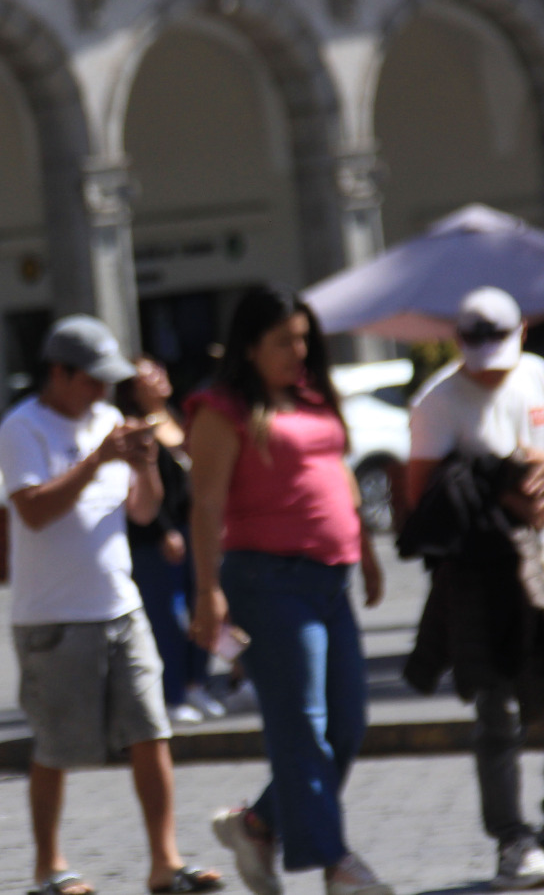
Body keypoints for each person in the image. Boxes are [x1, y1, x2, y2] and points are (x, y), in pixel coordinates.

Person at [0, 315, 223, 895]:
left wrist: (144, 466)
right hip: (53, 616)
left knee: (152, 730)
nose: (102, 391)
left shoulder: (109, 419)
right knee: (55, 745)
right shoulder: (22, 428)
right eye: (91, 380)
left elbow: (144, 512)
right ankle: (49, 867)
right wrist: (97, 460)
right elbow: (35, 511)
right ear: (59, 373)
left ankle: (164, 861)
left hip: (121, 604)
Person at [407, 287, 544, 890]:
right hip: (483, 577)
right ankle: (512, 843)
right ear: (458, 343)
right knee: (499, 716)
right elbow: (419, 504)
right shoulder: (436, 402)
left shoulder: (537, 374)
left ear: (523, 331)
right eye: (477, 350)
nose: (492, 364)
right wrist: (498, 491)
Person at [187, 285, 392, 895]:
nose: (299, 350)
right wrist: (205, 592)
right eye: (284, 341)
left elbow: (342, 479)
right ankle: (337, 866)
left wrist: (369, 552)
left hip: (331, 579)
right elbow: (204, 506)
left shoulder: (311, 397)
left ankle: (257, 825)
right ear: (249, 347)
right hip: (265, 582)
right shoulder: (221, 408)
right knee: (301, 725)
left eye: (304, 338)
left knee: (347, 723)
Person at [116, 357, 222, 725]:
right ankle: (172, 693)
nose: (160, 378)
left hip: (196, 531)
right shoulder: (133, 427)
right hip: (159, 538)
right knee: (167, 618)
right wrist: (164, 530)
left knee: (202, 608)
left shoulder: (177, 416)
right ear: (132, 388)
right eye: (148, 376)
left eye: (160, 370)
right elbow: (141, 485)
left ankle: (198, 685)